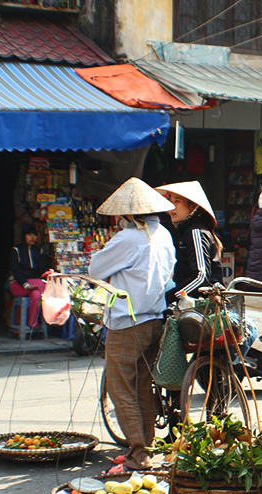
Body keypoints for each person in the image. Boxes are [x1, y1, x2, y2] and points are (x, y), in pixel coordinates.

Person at [88, 178, 176, 472]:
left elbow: (96, 269)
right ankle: (145, 448)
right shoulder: (163, 233)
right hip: (153, 319)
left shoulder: (128, 238)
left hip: (128, 321)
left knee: (120, 387)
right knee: (141, 387)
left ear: (127, 213)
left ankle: (138, 454)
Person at [155, 181, 222, 303]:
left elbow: (200, 277)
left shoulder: (196, 232)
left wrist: (171, 297)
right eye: (171, 201)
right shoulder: (187, 231)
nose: (172, 206)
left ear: (192, 206)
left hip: (201, 308)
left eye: (177, 201)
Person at [9, 223, 49, 329]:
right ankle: (52, 320)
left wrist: (48, 274)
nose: (32, 237)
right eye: (29, 234)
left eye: (34, 235)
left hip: (35, 286)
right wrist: (26, 285)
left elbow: (42, 271)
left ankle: (33, 323)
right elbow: (15, 271)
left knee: (36, 294)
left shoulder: (39, 251)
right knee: (45, 285)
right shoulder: (16, 250)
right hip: (18, 285)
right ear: (24, 236)